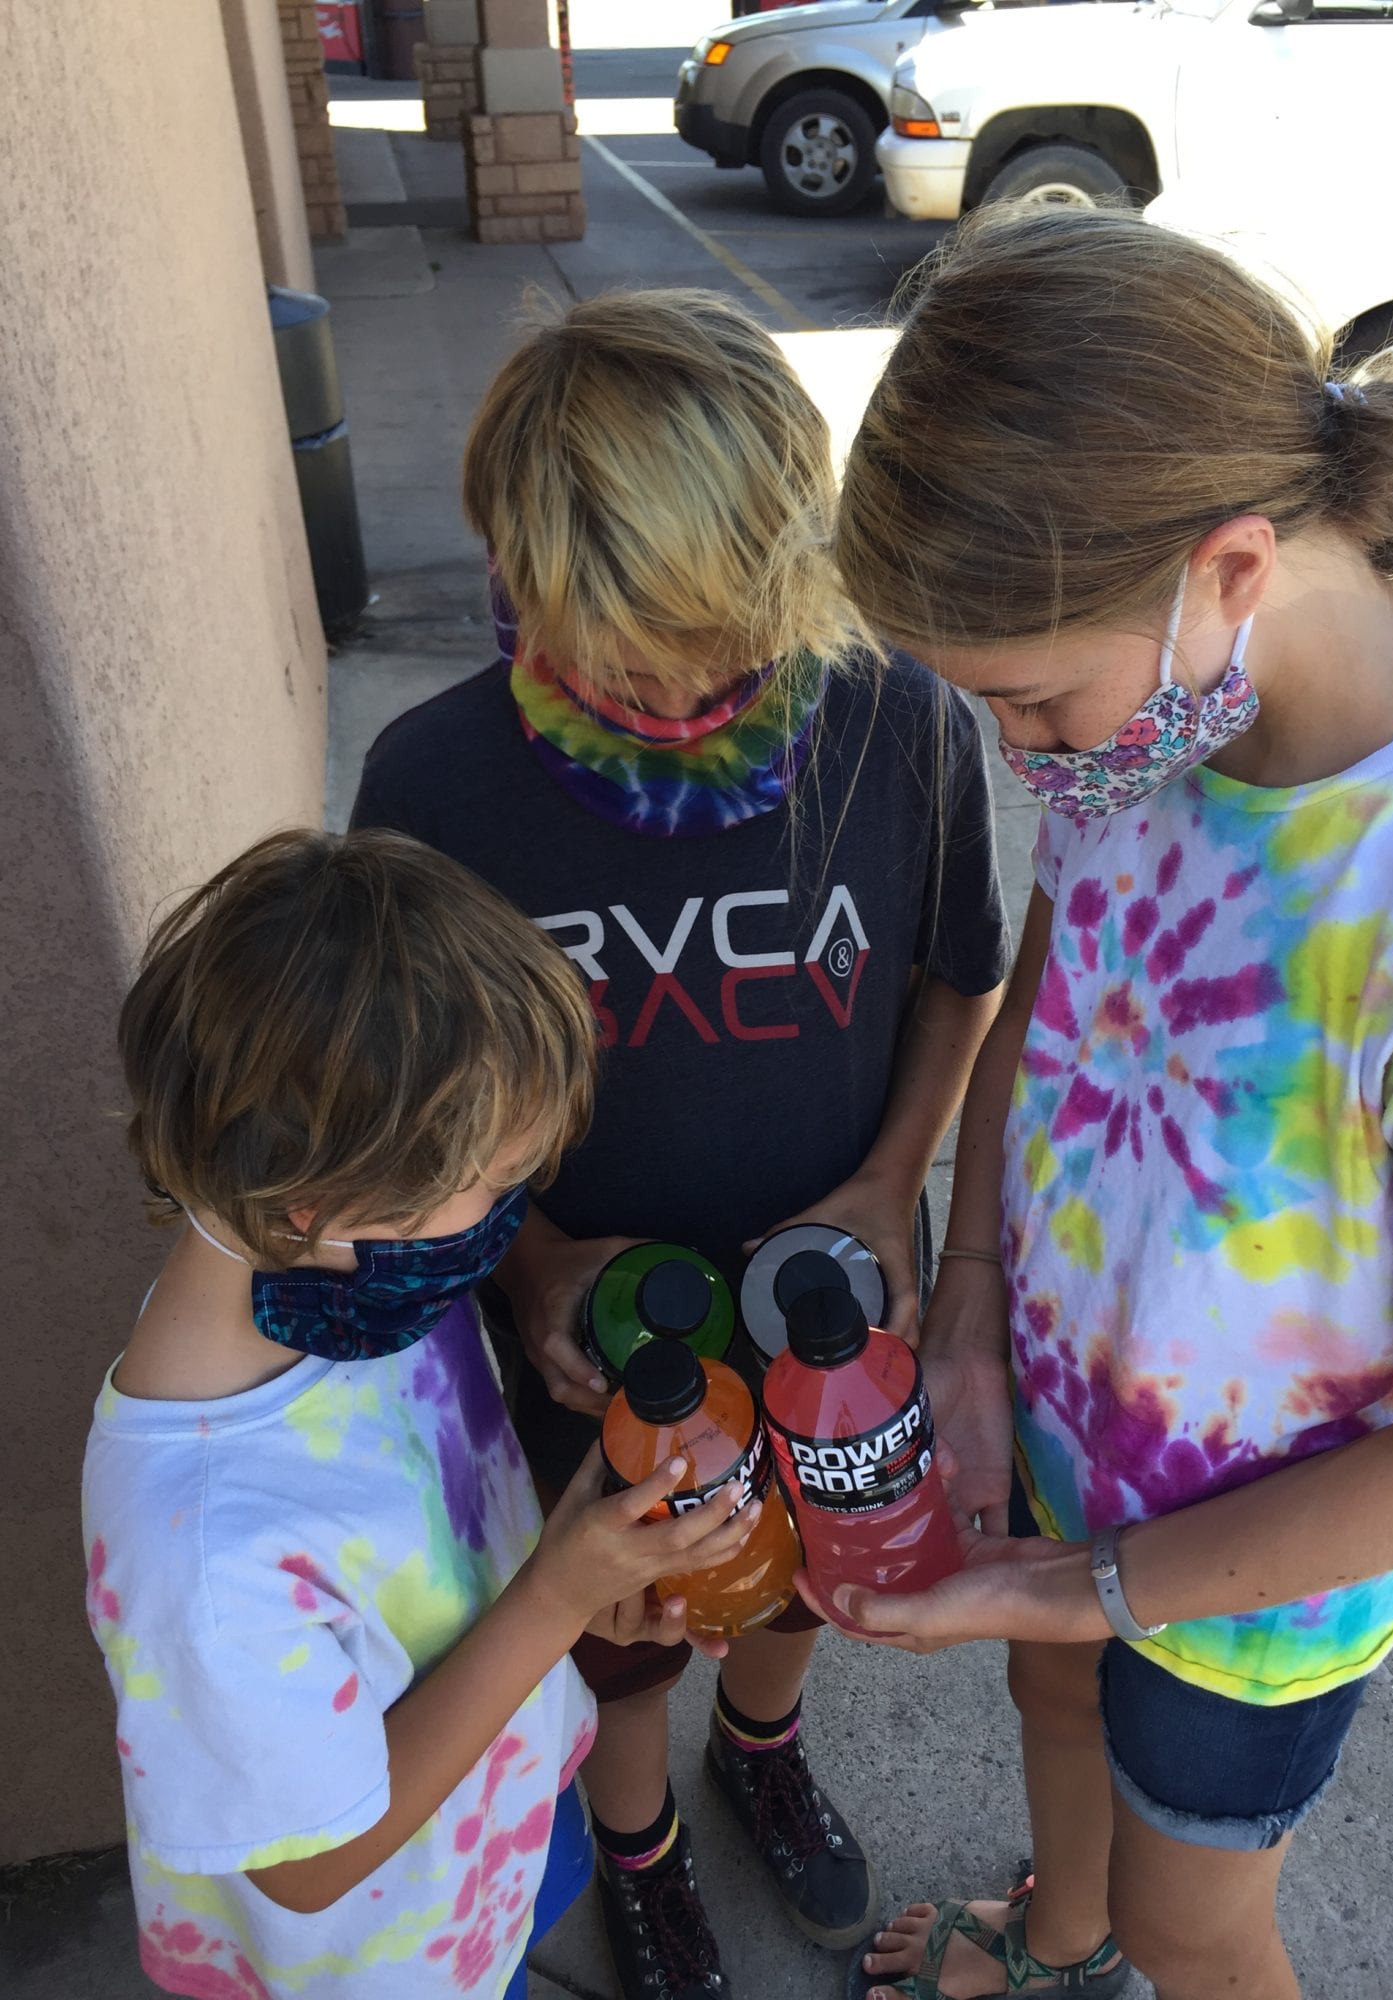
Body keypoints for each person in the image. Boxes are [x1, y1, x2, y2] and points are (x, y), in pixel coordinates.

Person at [820, 205, 1393, 2000]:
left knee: (1204, 1920)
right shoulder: (1161, 722)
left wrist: (1074, 1584)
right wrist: (969, 1303)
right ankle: (1059, 1936)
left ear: (1231, 563)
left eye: (1029, 707)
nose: (1029, 764)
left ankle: (1127, 1936)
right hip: (1068, 1430)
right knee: (1056, 1706)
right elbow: (1059, 966)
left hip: (1267, 1583)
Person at [351, 288, 1008, 1999]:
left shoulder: (899, 719)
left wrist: (891, 1180)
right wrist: (536, 1248)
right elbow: (413, 1105)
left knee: (811, 1569)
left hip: (824, 1290)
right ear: (526, 571)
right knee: (625, 1614)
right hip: (584, 1318)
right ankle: (635, 1840)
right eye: (633, 642)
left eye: (728, 634)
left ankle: (766, 1750)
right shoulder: (436, 784)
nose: (692, 686)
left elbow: (955, 973)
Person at [84, 828, 760, 2000]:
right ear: (320, 1202)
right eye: (495, 1181)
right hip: (386, 1954)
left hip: (496, 1824)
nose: (522, 1198)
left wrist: (582, 1584)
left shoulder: (354, 1292)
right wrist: (555, 1598)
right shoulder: (202, 1553)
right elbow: (306, 1865)